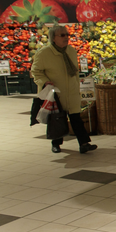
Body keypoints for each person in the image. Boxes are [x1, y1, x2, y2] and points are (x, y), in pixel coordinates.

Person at [31, 25, 97, 154]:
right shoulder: (44, 54)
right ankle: (56, 143)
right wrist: (45, 82)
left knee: (76, 118)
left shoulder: (71, 51)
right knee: (57, 119)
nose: (66, 38)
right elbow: (36, 72)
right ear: (53, 38)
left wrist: (77, 87)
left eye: (67, 35)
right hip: (56, 93)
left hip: (71, 92)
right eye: (62, 35)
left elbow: (75, 72)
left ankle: (84, 143)